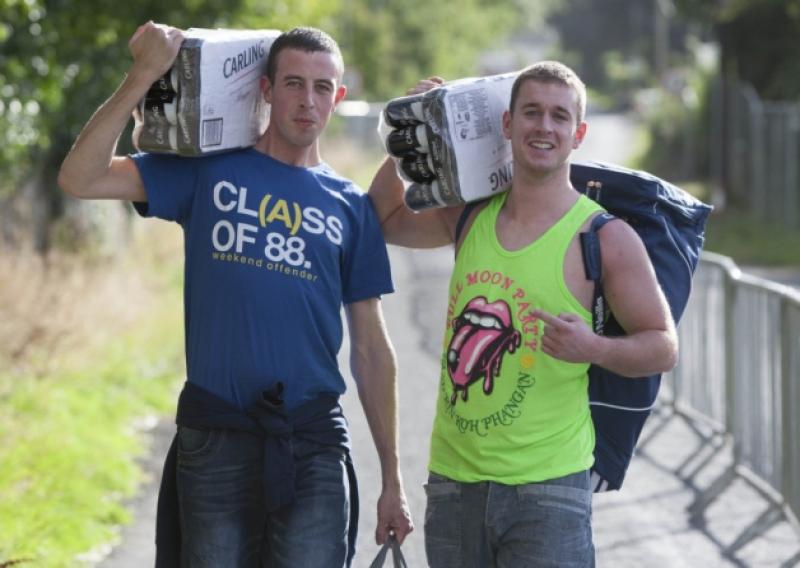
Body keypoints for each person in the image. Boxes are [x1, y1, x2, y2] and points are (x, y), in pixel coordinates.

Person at [58, 21, 413, 567]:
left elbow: (371, 348)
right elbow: (81, 179)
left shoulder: (350, 208)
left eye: (323, 88)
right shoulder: (209, 171)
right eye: (293, 83)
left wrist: (393, 477)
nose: (308, 100)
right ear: (266, 90)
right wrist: (143, 73)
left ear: (338, 98)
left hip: (313, 441)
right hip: (215, 436)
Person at [368, 62, 677, 567]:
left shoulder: (603, 238)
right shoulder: (469, 213)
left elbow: (663, 346)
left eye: (559, 116)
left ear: (578, 134)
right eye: (531, 112)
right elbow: (383, 219)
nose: (544, 127)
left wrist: (594, 349)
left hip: (548, 491)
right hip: (454, 483)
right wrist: (411, 131)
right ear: (508, 124)